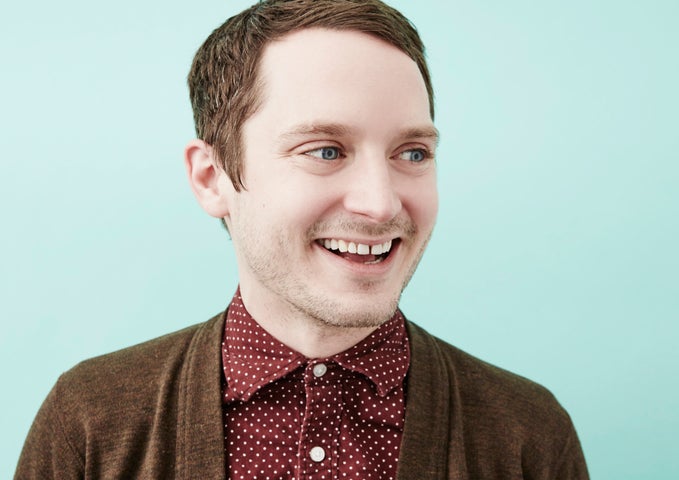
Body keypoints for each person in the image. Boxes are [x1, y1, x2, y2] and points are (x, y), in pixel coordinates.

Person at [15, 0, 589, 478]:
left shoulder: (528, 436)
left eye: (411, 153)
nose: (382, 202)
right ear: (212, 179)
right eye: (325, 151)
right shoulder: (89, 422)